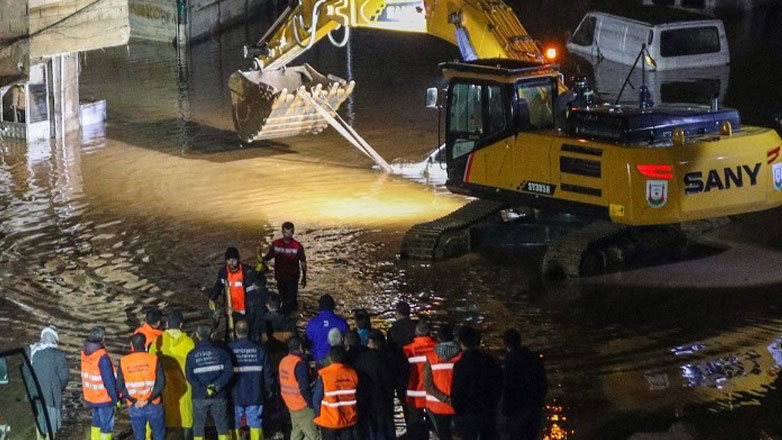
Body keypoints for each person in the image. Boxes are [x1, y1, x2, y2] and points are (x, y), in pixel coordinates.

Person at [149, 311, 195, 440]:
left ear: (167, 324)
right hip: (185, 387)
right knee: (186, 417)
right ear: (181, 325)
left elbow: (151, 363)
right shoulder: (189, 342)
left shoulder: (158, 341)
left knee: (165, 417)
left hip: (165, 387)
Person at [451, 326, 502, 440]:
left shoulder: (461, 364)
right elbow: (498, 383)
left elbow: (457, 391)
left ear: (461, 343)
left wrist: (458, 411)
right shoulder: (489, 361)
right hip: (487, 410)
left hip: (468, 413)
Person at [228, 320, 275, 440]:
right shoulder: (260, 349)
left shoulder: (228, 349)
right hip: (255, 393)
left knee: (234, 423)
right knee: (255, 423)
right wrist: (269, 389)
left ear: (236, 332)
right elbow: (267, 373)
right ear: (248, 332)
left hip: (235, 394)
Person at [186, 324, 234, 440]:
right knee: (222, 426)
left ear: (197, 335)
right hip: (218, 394)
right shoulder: (222, 352)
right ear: (212, 334)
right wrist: (216, 386)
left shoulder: (191, 355)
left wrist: (203, 389)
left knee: (198, 427)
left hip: (199, 396)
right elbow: (229, 372)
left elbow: (190, 376)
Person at [209, 247, 267, 342]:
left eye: (234, 260)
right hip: (231, 309)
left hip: (245, 311)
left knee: (246, 333)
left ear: (238, 260)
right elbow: (218, 286)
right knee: (230, 334)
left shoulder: (247, 272)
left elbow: (261, 281)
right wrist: (212, 298)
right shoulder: (223, 272)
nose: (231, 263)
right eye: (229, 260)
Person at [117, 333, 166, 440]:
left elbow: (120, 386)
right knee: (159, 435)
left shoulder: (123, 361)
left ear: (131, 345)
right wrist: (148, 399)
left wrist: (134, 400)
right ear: (145, 344)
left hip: (135, 406)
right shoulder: (154, 359)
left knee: (139, 436)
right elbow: (161, 382)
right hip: (153, 403)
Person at [500, 329, 547, 440]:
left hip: (518, 411)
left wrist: (506, 410)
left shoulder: (510, 362)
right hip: (534, 408)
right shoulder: (535, 359)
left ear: (506, 344)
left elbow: (508, 388)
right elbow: (543, 383)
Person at [350, 330, 395, 440]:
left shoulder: (365, 358)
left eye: (370, 343)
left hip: (370, 400)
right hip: (383, 400)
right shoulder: (387, 357)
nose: (368, 345)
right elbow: (388, 381)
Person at [27, 325, 69, 438]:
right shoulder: (59, 355)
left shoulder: (32, 351)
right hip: (51, 397)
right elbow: (64, 378)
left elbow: (26, 373)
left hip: (35, 395)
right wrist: (57, 388)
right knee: (51, 427)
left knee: (39, 424)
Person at [423, 324, 461, 440]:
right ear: (453, 336)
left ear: (438, 338)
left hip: (438, 406)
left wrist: (445, 399)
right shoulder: (461, 355)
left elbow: (428, 384)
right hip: (459, 404)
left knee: (444, 436)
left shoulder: (431, 357)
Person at [81, 326, 119, 440]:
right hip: (104, 398)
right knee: (106, 426)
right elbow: (109, 381)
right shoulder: (102, 356)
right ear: (102, 338)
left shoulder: (84, 353)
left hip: (91, 396)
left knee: (96, 423)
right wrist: (115, 398)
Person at [279, 336, 320, 440]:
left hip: (290, 404)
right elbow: (305, 388)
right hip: (303, 405)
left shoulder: (283, 361)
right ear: (301, 347)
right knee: (313, 435)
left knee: (297, 433)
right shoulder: (299, 364)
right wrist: (312, 404)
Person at [313, 346, 358, 440]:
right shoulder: (353, 374)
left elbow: (317, 399)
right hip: (348, 420)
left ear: (330, 358)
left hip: (329, 421)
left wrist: (319, 417)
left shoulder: (325, 375)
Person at [261, 222, 307, 314]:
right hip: (280, 278)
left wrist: (304, 276)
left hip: (292, 279)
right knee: (283, 298)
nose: (287, 235)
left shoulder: (297, 247)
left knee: (291, 301)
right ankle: (286, 317)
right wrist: (261, 259)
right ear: (282, 232)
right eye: (286, 232)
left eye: (289, 232)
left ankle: (290, 316)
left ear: (293, 232)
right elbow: (269, 256)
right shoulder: (276, 244)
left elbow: (303, 261)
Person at [403, 320, 437, 440]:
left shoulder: (408, 350)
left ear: (416, 333)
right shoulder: (437, 348)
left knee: (414, 430)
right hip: (433, 396)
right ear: (429, 333)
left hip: (414, 396)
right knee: (436, 429)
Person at [387, 301, 416, 422]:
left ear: (397, 313)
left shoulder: (393, 330)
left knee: (405, 400)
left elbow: (390, 353)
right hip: (417, 366)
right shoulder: (416, 326)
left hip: (401, 370)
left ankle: (410, 426)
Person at [305, 295, 348, 364]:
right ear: (333, 307)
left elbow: (308, 342)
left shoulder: (312, 323)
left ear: (320, 307)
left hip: (318, 360)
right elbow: (348, 341)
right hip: (337, 361)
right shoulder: (341, 322)